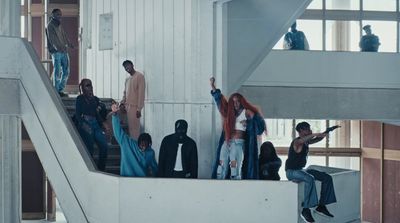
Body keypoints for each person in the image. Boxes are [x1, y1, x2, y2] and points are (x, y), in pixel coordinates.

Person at [210, 77, 266, 180]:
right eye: (233, 102)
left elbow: (259, 125)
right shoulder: (229, 113)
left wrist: (249, 123)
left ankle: (235, 182)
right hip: (227, 141)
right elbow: (219, 102)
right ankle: (218, 183)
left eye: (238, 101)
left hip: (238, 142)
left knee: (234, 165)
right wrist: (213, 86)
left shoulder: (247, 112)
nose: (236, 104)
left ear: (241, 102)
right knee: (221, 163)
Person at [285, 122, 337, 223]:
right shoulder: (296, 142)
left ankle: (321, 205)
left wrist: (328, 130)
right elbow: (307, 138)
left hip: (300, 170)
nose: (310, 131)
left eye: (310, 129)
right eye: (307, 129)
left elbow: (318, 138)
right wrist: (313, 134)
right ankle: (305, 209)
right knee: (310, 178)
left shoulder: (306, 142)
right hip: (291, 172)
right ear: (301, 131)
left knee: (326, 177)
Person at [111, 103, 158, 177]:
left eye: (146, 145)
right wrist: (114, 114)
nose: (143, 147)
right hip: (126, 178)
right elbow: (118, 132)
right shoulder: (128, 144)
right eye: (142, 145)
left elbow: (155, 168)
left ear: (149, 144)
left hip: (141, 181)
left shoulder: (150, 153)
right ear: (138, 142)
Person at [75, 79, 109, 171]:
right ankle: (91, 170)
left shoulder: (96, 99)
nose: (90, 87)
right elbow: (78, 115)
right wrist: (85, 126)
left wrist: (103, 124)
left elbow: (98, 114)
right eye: (87, 85)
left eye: (90, 85)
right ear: (82, 88)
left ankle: (101, 169)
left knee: (104, 146)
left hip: (95, 124)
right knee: (89, 148)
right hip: (85, 123)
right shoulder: (80, 99)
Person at [46, 8, 73, 97]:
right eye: (57, 14)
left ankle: (60, 89)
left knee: (66, 71)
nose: (60, 16)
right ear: (53, 15)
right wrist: (58, 48)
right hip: (56, 52)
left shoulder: (59, 25)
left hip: (64, 51)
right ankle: (56, 91)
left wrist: (69, 44)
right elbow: (52, 40)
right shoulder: (50, 26)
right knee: (57, 71)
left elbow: (64, 36)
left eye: (60, 14)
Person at [120, 60, 145, 140]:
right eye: (125, 67)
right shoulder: (127, 79)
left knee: (134, 131)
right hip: (126, 107)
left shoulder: (139, 76)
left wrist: (139, 109)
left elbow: (141, 94)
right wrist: (122, 104)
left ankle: (135, 149)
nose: (127, 68)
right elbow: (125, 93)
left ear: (132, 65)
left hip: (134, 107)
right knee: (127, 130)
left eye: (128, 65)